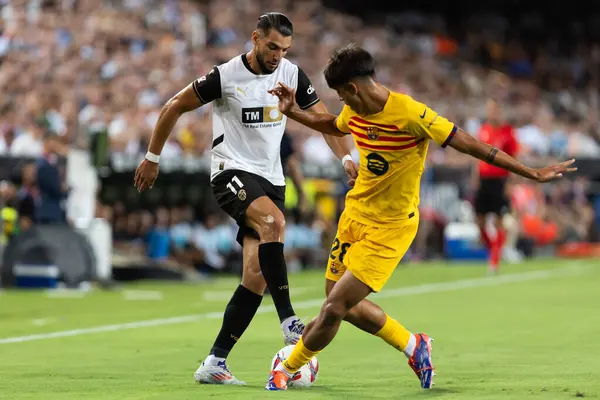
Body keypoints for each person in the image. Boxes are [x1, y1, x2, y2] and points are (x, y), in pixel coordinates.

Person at [264, 44, 576, 391]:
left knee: (335, 305)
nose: (342, 102)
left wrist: (529, 172)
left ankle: (287, 368)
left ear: (353, 88)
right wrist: (293, 112)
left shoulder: (410, 113)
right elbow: (334, 126)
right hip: (355, 215)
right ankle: (415, 345)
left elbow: (471, 144)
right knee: (344, 305)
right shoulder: (355, 110)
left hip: (391, 227)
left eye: (341, 95)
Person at [133, 13, 357, 385]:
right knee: (274, 223)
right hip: (231, 172)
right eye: (272, 47)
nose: (277, 55)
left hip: (271, 179)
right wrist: (152, 158)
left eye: (284, 49)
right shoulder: (225, 76)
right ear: (255, 38)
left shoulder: (291, 74)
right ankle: (289, 322)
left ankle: (214, 362)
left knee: (255, 277)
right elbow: (173, 106)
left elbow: (324, 121)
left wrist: (346, 158)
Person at [473, 99, 519, 273]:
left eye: (495, 110)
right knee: (479, 220)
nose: (492, 113)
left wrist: (510, 182)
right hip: (484, 180)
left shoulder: (508, 132)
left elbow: (513, 159)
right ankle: (493, 249)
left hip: (500, 181)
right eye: (489, 110)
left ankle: (494, 259)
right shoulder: (483, 130)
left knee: (499, 220)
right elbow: (477, 155)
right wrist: (475, 176)